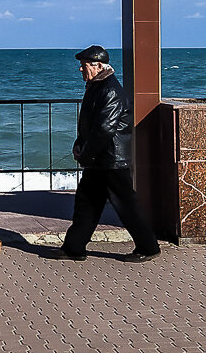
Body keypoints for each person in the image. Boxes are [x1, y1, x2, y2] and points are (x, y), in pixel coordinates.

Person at [57, 44, 160, 262]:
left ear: (98, 66)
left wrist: (85, 155)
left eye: (84, 66)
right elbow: (91, 125)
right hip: (100, 160)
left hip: (112, 161)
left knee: (127, 207)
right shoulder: (97, 86)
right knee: (86, 205)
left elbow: (104, 129)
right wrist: (80, 143)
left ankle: (149, 248)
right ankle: (73, 248)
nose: (80, 70)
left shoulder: (110, 89)